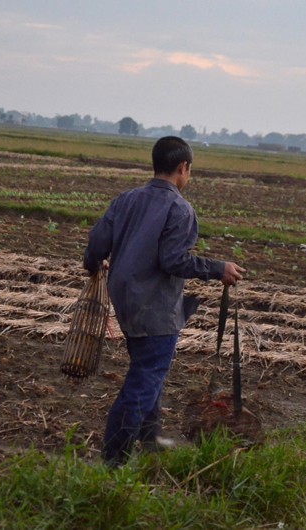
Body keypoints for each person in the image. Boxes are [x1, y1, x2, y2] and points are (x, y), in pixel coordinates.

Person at [83, 136, 245, 467]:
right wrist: (218, 269)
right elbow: (173, 261)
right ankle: (113, 461)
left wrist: (94, 263)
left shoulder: (126, 199)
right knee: (143, 381)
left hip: (125, 302)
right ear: (183, 168)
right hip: (154, 308)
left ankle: (150, 437)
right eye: (190, 171)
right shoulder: (179, 209)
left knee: (148, 369)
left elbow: (97, 243)